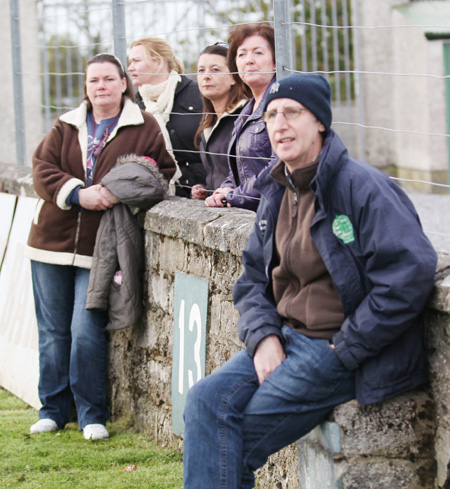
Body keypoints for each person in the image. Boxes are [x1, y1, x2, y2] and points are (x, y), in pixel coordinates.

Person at [183, 73, 437, 488]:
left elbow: (409, 274)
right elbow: (251, 280)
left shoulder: (361, 187)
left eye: (292, 112)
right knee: (204, 400)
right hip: (284, 337)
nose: (279, 124)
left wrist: (345, 349)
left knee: (230, 442)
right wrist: (263, 336)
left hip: (335, 347)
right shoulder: (275, 192)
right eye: (270, 115)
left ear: (320, 121)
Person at [26, 53, 175, 441]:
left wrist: (116, 190)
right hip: (50, 244)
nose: (102, 87)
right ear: (87, 87)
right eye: (94, 81)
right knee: (53, 333)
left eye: (109, 79)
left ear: (124, 83)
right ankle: (53, 410)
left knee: (85, 329)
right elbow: (42, 169)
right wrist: (78, 194)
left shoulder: (145, 125)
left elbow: (161, 174)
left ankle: (93, 414)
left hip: (103, 248)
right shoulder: (65, 125)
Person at [204, 23, 278, 211]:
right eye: (242, 54)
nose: (249, 60)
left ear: (276, 61)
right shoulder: (247, 111)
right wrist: (226, 189)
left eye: (258, 53)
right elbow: (240, 167)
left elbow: (280, 166)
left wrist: (235, 195)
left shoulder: (282, 103)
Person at [128, 36, 206, 198]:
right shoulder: (134, 105)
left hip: (202, 193)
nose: (130, 68)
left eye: (136, 61)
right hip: (158, 195)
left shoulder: (198, 94)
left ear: (157, 63)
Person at [191, 42, 249, 200]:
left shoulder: (246, 116)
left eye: (215, 70)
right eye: (201, 70)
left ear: (233, 77)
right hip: (219, 209)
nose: (206, 76)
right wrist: (206, 190)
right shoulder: (208, 121)